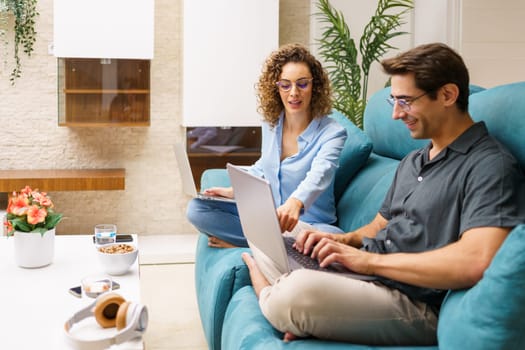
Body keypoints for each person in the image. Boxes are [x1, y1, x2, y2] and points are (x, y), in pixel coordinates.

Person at [241, 43, 525, 345]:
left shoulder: (489, 165)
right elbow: (378, 226)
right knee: (282, 233)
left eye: (405, 101)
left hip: (415, 301)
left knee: (295, 293)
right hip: (372, 276)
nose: (395, 114)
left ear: (447, 95)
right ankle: (295, 305)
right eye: (393, 100)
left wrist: (365, 263)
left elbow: (476, 260)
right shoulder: (415, 160)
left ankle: (267, 289)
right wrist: (340, 241)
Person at [186, 43, 347, 248]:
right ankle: (273, 246)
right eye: (285, 84)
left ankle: (253, 244)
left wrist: (295, 202)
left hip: (311, 225)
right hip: (269, 218)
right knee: (197, 209)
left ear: (314, 86)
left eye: (302, 84)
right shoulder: (271, 124)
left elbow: (321, 173)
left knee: (327, 239)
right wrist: (234, 191)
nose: (294, 93)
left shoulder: (333, 133)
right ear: (276, 87)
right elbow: (265, 166)